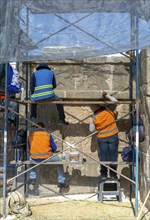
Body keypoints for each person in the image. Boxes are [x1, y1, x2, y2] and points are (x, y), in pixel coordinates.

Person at [89, 91, 119, 180]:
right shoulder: (108, 110)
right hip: (113, 136)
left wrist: (91, 122)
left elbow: (92, 130)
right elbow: (116, 101)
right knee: (113, 157)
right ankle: (113, 176)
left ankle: (103, 175)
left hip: (102, 138)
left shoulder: (94, 117)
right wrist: (107, 96)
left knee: (103, 157)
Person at [28, 122, 68, 188]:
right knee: (59, 161)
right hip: (47, 157)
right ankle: (61, 181)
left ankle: (32, 178)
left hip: (34, 157)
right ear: (44, 128)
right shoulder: (48, 135)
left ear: (36, 128)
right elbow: (54, 148)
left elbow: (29, 147)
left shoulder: (31, 135)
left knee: (31, 161)